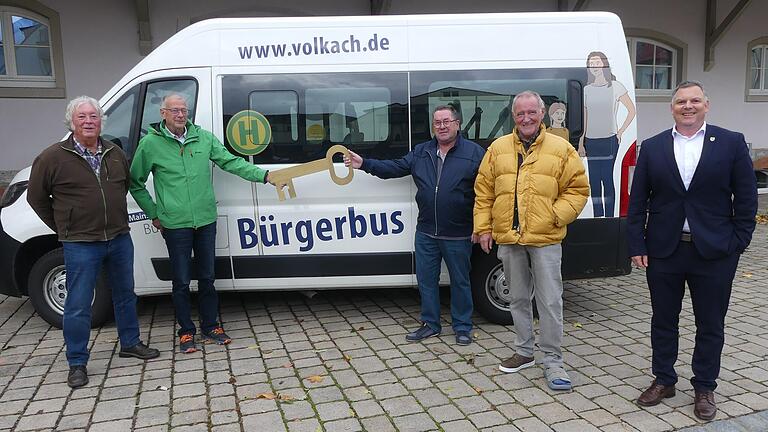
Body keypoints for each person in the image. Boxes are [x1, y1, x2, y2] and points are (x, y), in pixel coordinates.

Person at [627, 81, 757, 420]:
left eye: (695, 100)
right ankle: (664, 379)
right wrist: (636, 243)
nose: (688, 106)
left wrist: (738, 241)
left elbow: (746, 197)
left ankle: (704, 386)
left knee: (710, 322)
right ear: (672, 108)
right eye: (681, 101)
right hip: (664, 250)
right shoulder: (653, 147)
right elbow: (638, 199)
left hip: (714, 251)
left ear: (706, 105)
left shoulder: (730, 143)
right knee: (663, 319)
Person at [27, 96, 160, 389]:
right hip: (80, 243)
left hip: (118, 236)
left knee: (125, 294)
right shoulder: (52, 157)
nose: (89, 121)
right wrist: (64, 226)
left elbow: (124, 186)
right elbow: (36, 198)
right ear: (71, 122)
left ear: (101, 121)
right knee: (78, 304)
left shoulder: (114, 152)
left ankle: (130, 343)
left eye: (94, 116)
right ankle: (77, 362)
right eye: (82, 117)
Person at [130, 94, 273, 354]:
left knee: (207, 277)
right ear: (163, 113)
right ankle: (186, 332)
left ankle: (211, 326)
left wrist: (264, 175)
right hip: (175, 224)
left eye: (184, 110)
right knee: (182, 281)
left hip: (205, 220)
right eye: (174, 110)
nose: (180, 115)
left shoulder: (203, 137)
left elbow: (231, 162)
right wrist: (154, 212)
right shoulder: (150, 144)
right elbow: (135, 182)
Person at [474, 91, 588, 390]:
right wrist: (484, 228)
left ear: (542, 113)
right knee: (518, 298)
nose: (526, 118)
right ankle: (524, 351)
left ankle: (553, 360)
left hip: (545, 237)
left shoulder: (561, 149)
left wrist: (553, 215)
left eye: (531, 112)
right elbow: (484, 192)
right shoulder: (497, 149)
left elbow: (578, 190)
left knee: (549, 300)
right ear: (514, 116)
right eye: (520, 113)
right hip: (509, 237)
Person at [343, 105, 485, 345]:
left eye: (446, 121)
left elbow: (486, 192)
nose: (441, 126)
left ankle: (462, 326)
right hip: (427, 231)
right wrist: (364, 163)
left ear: (457, 124)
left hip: (458, 231)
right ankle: (430, 324)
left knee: (460, 280)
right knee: (426, 280)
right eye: (437, 122)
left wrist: (482, 225)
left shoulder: (474, 153)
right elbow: (394, 167)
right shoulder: (422, 152)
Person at [578, 51, 636, 218]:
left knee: (607, 178)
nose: (595, 66)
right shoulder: (586, 89)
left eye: (597, 62)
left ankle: (610, 216)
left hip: (610, 139)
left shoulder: (615, 86)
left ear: (604, 64)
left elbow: (631, 110)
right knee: (594, 181)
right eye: (591, 63)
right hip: (591, 140)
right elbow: (585, 117)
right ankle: (598, 216)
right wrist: (581, 142)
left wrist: (620, 131)